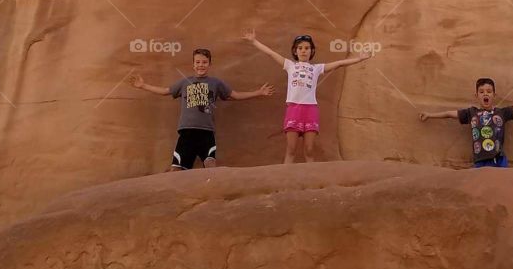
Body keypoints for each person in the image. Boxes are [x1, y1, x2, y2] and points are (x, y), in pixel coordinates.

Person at [130, 46, 273, 171]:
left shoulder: (215, 83)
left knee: (211, 165)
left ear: (209, 64)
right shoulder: (185, 82)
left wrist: (258, 92)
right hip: (186, 132)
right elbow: (165, 91)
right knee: (176, 168)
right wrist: (143, 86)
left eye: (204, 62)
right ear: (193, 65)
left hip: (206, 132)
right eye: (197, 62)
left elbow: (234, 95)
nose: (201, 65)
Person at [243, 29, 375, 163]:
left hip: (310, 110)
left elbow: (339, 64)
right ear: (295, 51)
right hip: (294, 109)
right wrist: (254, 41)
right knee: (291, 149)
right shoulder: (290, 65)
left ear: (312, 51)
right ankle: (285, 179)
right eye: (300, 48)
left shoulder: (316, 68)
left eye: (307, 48)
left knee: (309, 149)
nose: (303, 51)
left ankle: (310, 181)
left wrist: (359, 58)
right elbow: (271, 53)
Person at [419, 78, 513, 168]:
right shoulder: (471, 113)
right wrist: (430, 115)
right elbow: (448, 114)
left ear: (494, 95)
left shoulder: (502, 112)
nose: (485, 94)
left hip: (498, 159)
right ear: (476, 95)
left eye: (489, 92)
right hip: (480, 161)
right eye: (481, 92)